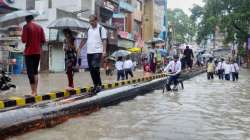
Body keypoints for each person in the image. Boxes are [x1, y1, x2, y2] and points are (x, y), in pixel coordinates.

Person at [79, 15, 107, 94]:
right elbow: (84, 39)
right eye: (90, 21)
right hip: (89, 52)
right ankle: (97, 85)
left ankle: (98, 85)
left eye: (92, 21)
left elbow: (104, 40)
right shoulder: (88, 29)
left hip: (98, 51)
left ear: (96, 20)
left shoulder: (101, 29)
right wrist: (79, 48)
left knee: (95, 67)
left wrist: (104, 51)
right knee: (91, 69)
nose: (91, 23)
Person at [21, 15, 45, 96]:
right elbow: (43, 41)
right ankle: (35, 91)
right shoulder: (40, 27)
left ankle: (33, 92)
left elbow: (24, 40)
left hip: (29, 52)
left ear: (26, 19)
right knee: (35, 72)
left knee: (30, 72)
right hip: (37, 52)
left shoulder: (26, 26)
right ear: (33, 18)